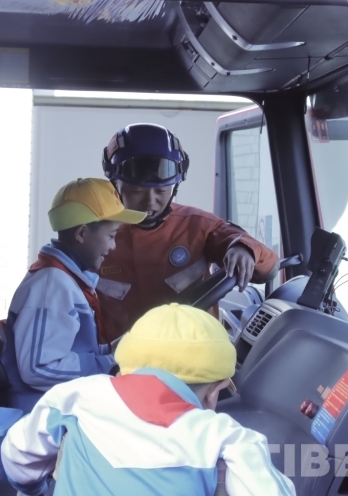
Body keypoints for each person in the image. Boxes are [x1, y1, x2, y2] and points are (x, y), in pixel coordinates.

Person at [0, 303, 296, 496]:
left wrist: (35, 489)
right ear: (214, 392)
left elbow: (17, 453)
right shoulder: (226, 436)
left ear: (125, 367)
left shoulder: (75, 397)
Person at [96, 123, 280, 342]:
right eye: (137, 191)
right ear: (115, 186)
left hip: (197, 355)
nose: (150, 201)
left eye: (161, 190)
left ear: (175, 187)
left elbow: (268, 265)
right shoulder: (94, 234)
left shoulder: (198, 226)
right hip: (119, 358)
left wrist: (244, 249)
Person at [1, 177, 146, 412]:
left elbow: (71, 350)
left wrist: (116, 349)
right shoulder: (51, 287)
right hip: (41, 417)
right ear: (82, 233)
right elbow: (39, 367)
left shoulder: (67, 281)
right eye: (111, 236)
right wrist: (107, 363)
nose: (113, 246)